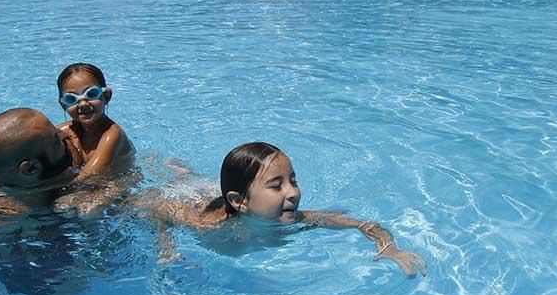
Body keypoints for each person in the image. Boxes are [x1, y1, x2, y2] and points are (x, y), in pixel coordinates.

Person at [133, 142, 427, 277]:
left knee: (197, 179)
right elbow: (155, 208)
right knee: (185, 182)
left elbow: (363, 224)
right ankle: (172, 167)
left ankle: (183, 170)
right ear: (240, 201)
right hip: (193, 199)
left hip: (227, 193)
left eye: (293, 180)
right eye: (277, 185)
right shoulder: (209, 226)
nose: (293, 193)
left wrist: (389, 248)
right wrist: (165, 247)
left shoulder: (298, 218)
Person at [55, 63, 135, 179]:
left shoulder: (112, 135)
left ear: (106, 96)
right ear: (63, 105)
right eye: (71, 99)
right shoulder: (66, 131)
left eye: (91, 94)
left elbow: (88, 176)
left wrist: (37, 188)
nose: (83, 104)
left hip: (118, 184)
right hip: (89, 186)